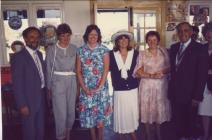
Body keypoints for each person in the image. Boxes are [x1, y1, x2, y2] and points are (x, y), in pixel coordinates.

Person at [168, 22, 208, 140]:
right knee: (178, 121)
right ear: (177, 33)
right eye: (180, 31)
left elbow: (202, 75)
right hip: (175, 93)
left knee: (190, 123)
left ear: (191, 32)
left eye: (186, 30)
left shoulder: (200, 48)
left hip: (191, 95)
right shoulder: (174, 47)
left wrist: (197, 96)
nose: (183, 33)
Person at [76, 24, 112, 140]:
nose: (93, 36)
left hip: (101, 88)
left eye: (95, 34)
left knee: (100, 116)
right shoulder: (80, 50)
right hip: (86, 88)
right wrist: (84, 88)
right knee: (89, 116)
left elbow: (106, 70)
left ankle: (100, 138)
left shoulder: (104, 50)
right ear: (87, 35)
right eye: (91, 34)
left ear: (98, 36)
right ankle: (93, 138)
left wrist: (99, 87)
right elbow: (78, 71)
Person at [133, 31, 171, 140]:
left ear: (158, 40)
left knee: (158, 111)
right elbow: (138, 71)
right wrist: (151, 75)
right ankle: (148, 135)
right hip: (147, 86)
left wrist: (163, 72)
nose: (152, 42)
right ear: (146, 42)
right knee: (147, 111)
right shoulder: (142, 53)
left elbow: (169, 67)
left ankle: (159, 135)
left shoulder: (164, 51)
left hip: (161, 87)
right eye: (149, 40)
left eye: (154, 40)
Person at [11, 26, 45, 140]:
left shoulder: (39, 54)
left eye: (37, 37)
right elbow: (17, 84)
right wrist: (21, 104)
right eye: (31, 37)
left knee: (40, 128)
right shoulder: (18, 57)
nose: (34, 39)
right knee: (29, 130)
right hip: (28, 100)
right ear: (25, 39)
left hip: (41, 96)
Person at [46, 23, 77, 140]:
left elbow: (78, 69)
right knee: (61, 114)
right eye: (63, 36)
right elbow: (48, 69)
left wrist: (79, 86)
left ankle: (67, 135)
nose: (66, 38)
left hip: (72, 81)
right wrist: (49, 88)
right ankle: (60, 137)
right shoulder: (52, 49)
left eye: (68, 35)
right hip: (58, 83)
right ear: (58, 36)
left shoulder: (74, 48)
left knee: (71, 113)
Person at [110, 30, 139, 140]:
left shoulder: (135, 54)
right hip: (119, 90)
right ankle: (122, 136)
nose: (123, 40)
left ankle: (133, 135)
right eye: (120, 38)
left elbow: (141, 69)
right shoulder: (111, 54)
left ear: (129, 40)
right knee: (121, 115)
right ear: (117, 42)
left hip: (132, 90)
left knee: (131, 114)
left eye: (125, 38)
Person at [198, 21, 212, 140]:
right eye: (207, 33)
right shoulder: (201, 48)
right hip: (205, 85)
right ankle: (206, 135)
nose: (210, 35)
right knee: (205, 111)